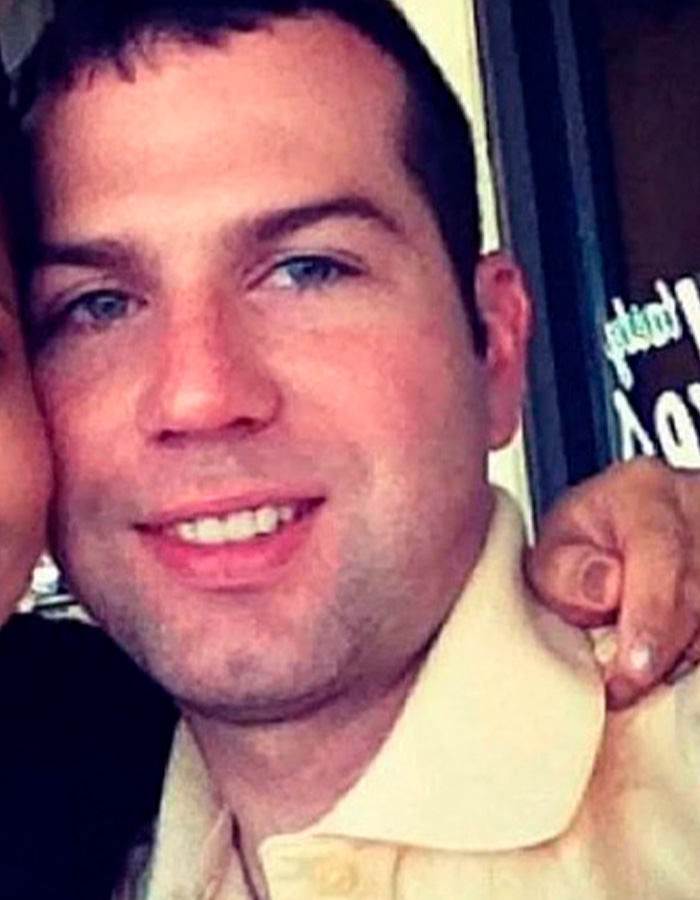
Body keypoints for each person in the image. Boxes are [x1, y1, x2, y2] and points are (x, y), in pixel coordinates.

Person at [6, 0, 700, 896]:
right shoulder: (67, 802)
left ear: (495, 346)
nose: (199, 396)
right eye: (99, 305)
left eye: (308, 270)